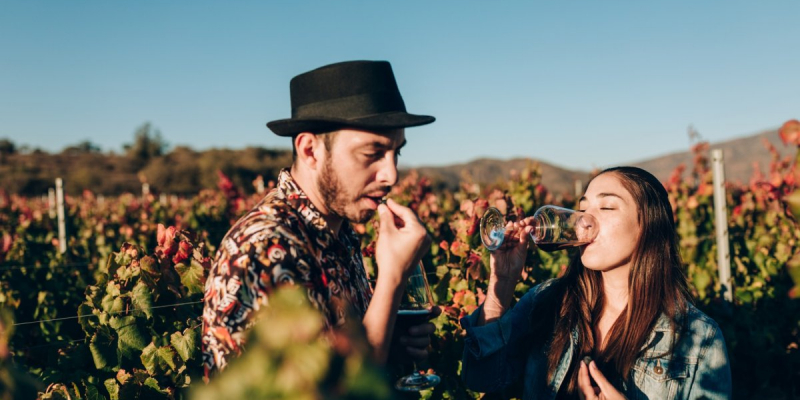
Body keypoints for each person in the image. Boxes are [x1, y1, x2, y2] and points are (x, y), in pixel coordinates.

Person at [202, 60, 437, 377]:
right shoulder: (265, 250)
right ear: (310, 150)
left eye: (396, 152)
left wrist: (390, 339)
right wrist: (392, 279)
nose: (391, 174)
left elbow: (341, 357)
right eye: (372, 153)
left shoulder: (338, 232)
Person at [461, 166, 732, 399]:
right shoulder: (545, 302)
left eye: (606, 207)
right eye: (581, 209)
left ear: (649, 225)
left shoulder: (698, 339)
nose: (584, 222)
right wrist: (503, 281)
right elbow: (482, 380)